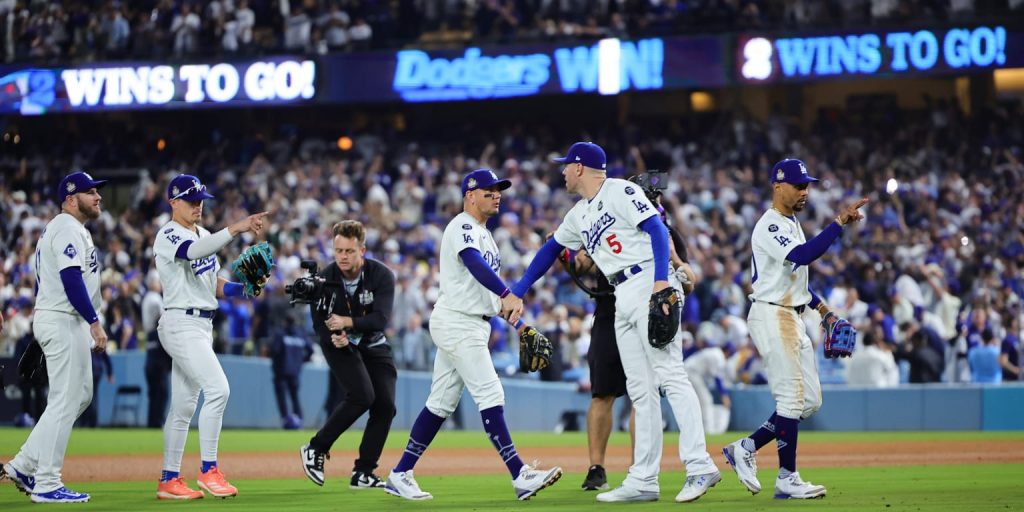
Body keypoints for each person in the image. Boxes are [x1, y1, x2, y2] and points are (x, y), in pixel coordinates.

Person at [510, 142, 720, 504]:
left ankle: (699, 465)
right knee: (640, 389)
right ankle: (643, 479)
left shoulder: (621, 189)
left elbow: (657, 230)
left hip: (647, 282)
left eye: (565, 165)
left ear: (579, 167)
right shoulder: (579, 214)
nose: (561, 171)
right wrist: (518, 290)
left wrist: (659, 282)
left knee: (670, 374)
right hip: (620, 294)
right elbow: (548, 252)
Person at [384, 168, 562, 502]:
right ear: (470, 194)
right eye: (489, 190)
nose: (497, 194)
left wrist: (520, 325)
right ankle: (520, 474)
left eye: (499, 190)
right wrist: (508, 291)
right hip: (458, 322)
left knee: (441, 403)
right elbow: (473, 263)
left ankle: (401, 472)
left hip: (471, 320)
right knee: (490, 392)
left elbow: (489, 296)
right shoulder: (462, 226)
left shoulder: (486, 234)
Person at [721, 158, 868, 500]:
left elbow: (793, 279)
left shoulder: (791, 223)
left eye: (807, 185)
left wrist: (823, 309)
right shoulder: (770, 225)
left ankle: (746, 447)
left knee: (810, 401)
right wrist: (838, 223)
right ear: (777, 186)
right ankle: (787, 477)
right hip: (772, 315)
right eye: (798, 185)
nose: (805, 191)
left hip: (792, 315)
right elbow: (802, 256)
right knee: (790, 399)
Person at [152, 174, 268, 500]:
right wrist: (236, 228)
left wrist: (242, 289)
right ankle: (208, 471)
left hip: (201, 325)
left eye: (201, 199)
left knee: (183, 408)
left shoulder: (203, 233)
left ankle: (169, 480)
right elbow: (191, 252)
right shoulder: (168, 235)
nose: (198, 205)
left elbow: (213, 282)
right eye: (191, 200)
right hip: (180, 323)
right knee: (218, 390)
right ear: (173, 202)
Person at [1, 171, 110, 503]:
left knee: (80, 396)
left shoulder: (73, 229)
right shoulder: (65, 227)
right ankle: (47, 482)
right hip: (65, 319)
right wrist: (93, 320)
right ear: (71, 199)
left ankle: (23, 465)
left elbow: (49, 283)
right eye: (91, 192)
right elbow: (70, 279)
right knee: (65, 399)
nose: (98, 197)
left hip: (64, 319)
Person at [299, 220, 398, 489]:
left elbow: (381, 319)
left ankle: (363, 472)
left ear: (362, 251)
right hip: (339, 345)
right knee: (363, 395)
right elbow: (319, 322)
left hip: (374, 342)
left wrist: (347, 322)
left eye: (349, 251)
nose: (343, 256)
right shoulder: (324, 279)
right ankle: (316, 447)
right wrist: (334, 336)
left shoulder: (382, 275)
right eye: (338, 250)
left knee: (386, 406)